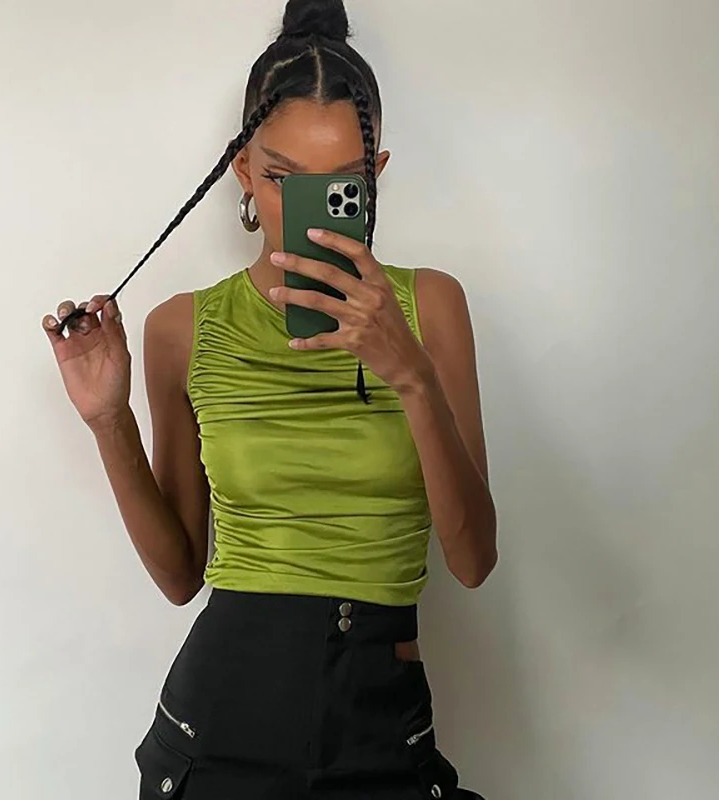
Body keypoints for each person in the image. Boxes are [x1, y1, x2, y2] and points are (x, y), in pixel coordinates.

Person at [42, 1, 497, 797]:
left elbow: (474, 559)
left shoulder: (431, 306)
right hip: (219, 725)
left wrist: (410, 373)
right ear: (243, 170)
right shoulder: (183, 328)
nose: (309, 210)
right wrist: (109, 420)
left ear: (375, 176)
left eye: (342, 182)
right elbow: (181, 576)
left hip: (380, 721)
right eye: (283, 177)